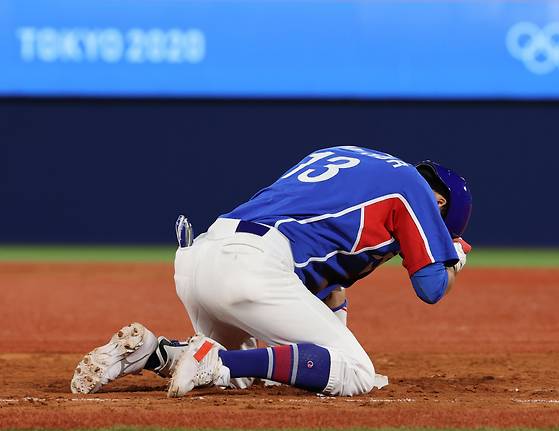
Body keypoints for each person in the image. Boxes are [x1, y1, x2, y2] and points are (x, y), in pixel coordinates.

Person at [71, 146, 472, 397]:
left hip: (202, 257)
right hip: (251, 267)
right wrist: (454, 253)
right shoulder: (415, 191)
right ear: (438, 204)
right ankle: (215, 359)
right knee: (356, 372)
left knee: (247, 376)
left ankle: (153, 352)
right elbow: (432, 287)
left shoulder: (348, 157)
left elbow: (327, 290)